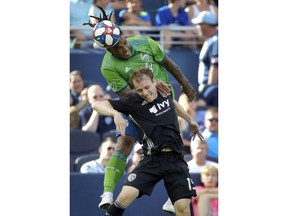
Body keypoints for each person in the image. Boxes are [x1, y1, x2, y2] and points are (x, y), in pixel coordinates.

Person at [86, 6, 197, 212]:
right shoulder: (108, 67)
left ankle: (173, 198)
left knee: (172, 145)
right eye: (118, 49)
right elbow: (126, 96)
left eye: (124, 43)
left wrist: (185, 83)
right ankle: (108, 192)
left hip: (166, 104)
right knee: (124, 143)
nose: (124, 49)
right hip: (141, 107)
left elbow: (168, 63)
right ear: (108, 50)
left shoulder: (146, 42)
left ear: (125, 35)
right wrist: (149, 91)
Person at [93, 67, 203, 216]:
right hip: (152, 159)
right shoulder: (133, 100)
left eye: (146, 87)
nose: (144, 93)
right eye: (139, 90)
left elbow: (173, 103)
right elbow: (98, 105)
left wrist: (190, 121)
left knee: (183, 208)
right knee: (125, 195)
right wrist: (115, 113)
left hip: (176, 159)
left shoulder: (164, 90)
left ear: (154, 82)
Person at [191, 11, 218, 94]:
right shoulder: (211, 40)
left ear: (205, 26)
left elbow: (215, 68)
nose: (197, 27)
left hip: (211, 89)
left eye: (199, 24)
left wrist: (209, 91)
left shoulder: (216, 41)